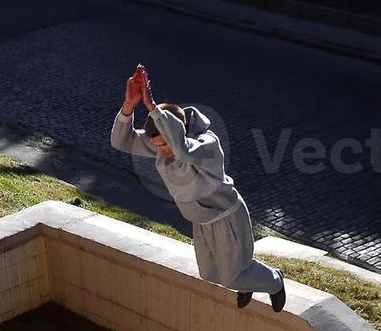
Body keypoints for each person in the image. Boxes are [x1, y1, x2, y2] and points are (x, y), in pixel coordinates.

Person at [111, 65, 286, 312]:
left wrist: (152, 106)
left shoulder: (207, 145)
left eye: (164, 145)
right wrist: (129, 105)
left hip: (226, 217)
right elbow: (122, 141)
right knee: (210, 273)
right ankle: (246, 278)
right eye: (158, 146)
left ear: (176, 131)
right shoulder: (165, 145)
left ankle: (275, 281)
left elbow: (182, 149)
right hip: (201, 221)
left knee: (232, 276)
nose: (162, 151)